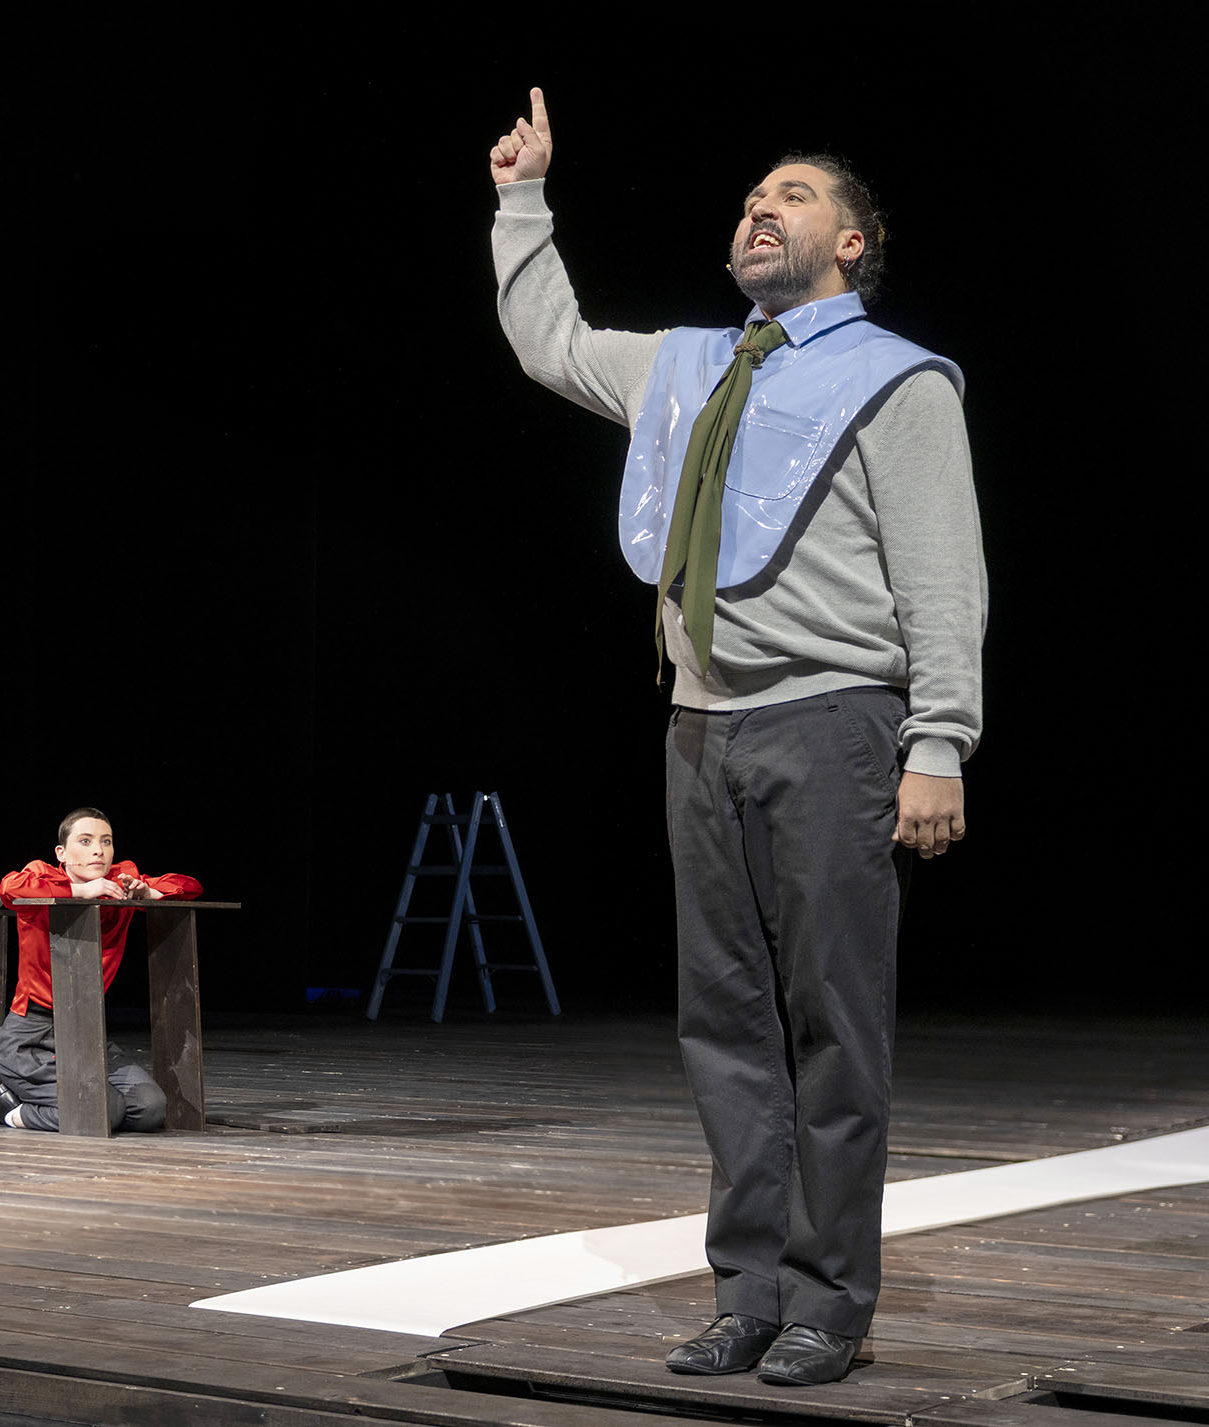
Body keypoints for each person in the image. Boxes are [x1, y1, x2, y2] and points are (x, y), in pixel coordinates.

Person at [489, 90, 984, 1386]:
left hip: (834, 719)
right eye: (753, 196)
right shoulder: (686, 362)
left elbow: (942, 571)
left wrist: (939, 738)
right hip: (698, 728)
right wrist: (523, 198)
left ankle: (828, 1300)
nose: (761, 207)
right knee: (720, 1022)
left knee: (832, 1019)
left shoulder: (896, 380)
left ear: (851, 243)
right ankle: (747, 1290)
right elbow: (549, 342)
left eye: (794, 195)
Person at [0, 808, 202, 1133]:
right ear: (62, 853)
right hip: (32, 1035)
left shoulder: (120, 883)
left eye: (106, 841)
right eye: (86, 841)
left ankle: (49, 1104)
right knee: (105, 1109)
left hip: (87, 1033)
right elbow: (9, 888)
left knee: (150, 1108)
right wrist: (80, 891)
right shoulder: (41, 879)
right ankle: (11, 1111)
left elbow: (189, 886)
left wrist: (149, 893)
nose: (98, 851)